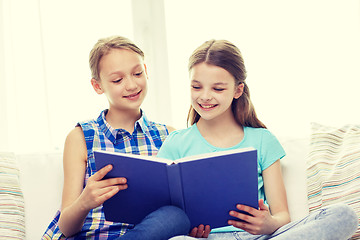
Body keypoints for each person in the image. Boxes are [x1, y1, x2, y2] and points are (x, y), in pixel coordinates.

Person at [157, 39, 358, 240]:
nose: (205, 96)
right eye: (196, 87)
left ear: (238, 90)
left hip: (258, 237)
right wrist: (186, 230)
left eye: (218, 89)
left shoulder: (262, 140)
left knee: (343, 215)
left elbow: (282, 216)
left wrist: (269, 223)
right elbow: (161, 217)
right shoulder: (175, 143)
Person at [42, 36, 190, 240]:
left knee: (177, 217)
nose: (131, 85)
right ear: (98, 86)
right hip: (88, 236)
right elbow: (66, 227)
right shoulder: (81, 137)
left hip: (145, 235)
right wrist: (85, 201)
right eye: (117, 80)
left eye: (137, 73)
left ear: (146, 72)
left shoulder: (168, 135)